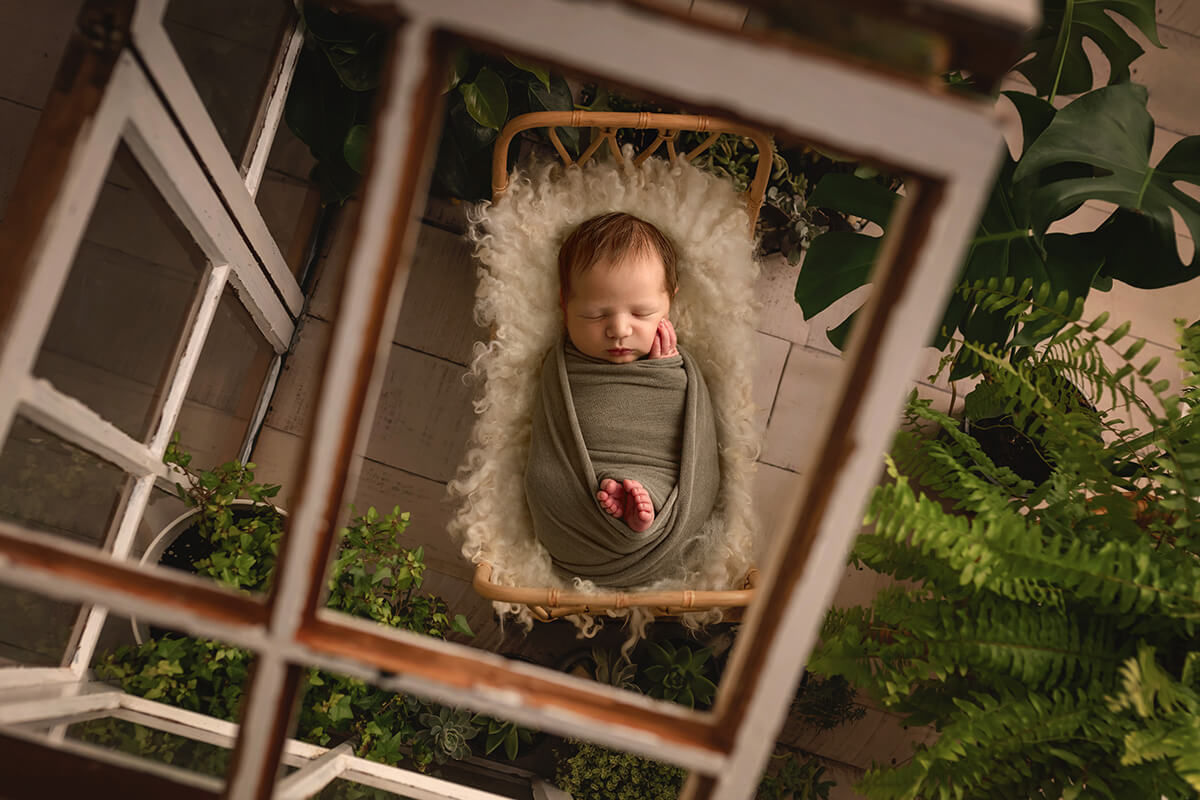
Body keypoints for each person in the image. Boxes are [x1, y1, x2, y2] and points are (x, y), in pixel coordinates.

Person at [523, 212, 720, 587]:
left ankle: (644, 510)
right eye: (594, 315)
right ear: (564, 306)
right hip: (572, 508)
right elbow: (548, 445)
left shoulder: (677, 370)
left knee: (652, 484)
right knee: (546, 479)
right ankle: (623, 507)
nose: (618, 329)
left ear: (669, 303)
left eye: (642, 313)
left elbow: (690, 443)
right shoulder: (562, 366)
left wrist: (666, 377)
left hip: (658, 481)